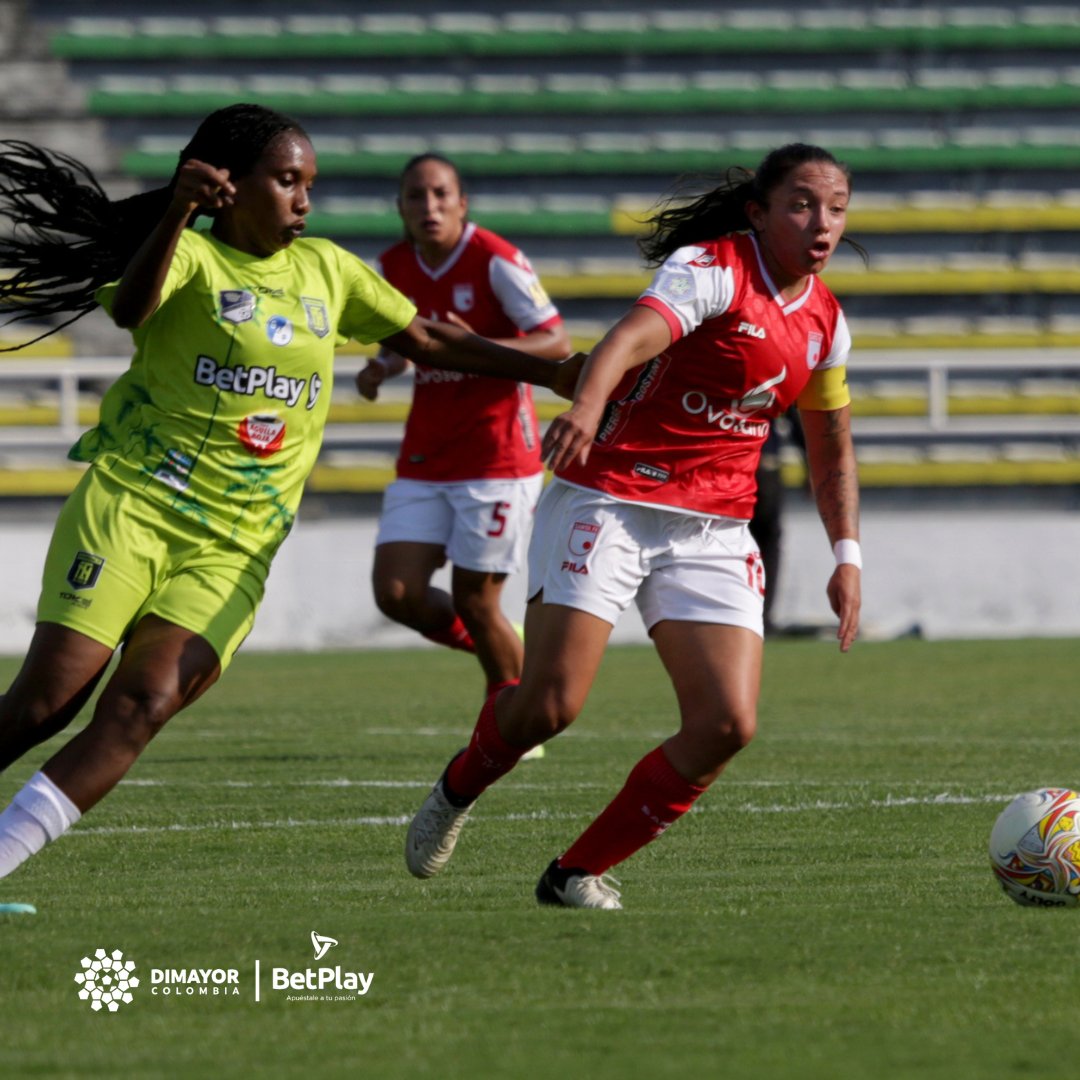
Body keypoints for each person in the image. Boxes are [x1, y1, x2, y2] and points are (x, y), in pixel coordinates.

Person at [0, 104, 580, 886]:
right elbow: (133, 309)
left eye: (310, 183)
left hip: (234, 546)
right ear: (230, 189)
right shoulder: (190, 258)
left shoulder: (329, 273)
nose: (304, 199)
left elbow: (429, 339)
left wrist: (550, 371)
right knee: (43, 705)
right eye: (286, 181)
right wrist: (175, 210)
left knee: (143, 705)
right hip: (133, 508)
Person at [404, 143, 863, 909]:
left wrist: (846, 553)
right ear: (759, 211)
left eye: (837, 208)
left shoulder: (824, 322)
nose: (822, 223)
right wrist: (584, 413)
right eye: (802, 205)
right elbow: (629, 338)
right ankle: (458, 786)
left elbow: (833, 444)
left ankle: (574, 873)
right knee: (550, 705)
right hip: (611, 495)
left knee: (725, 723)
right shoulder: (711, 268)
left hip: (713, 525)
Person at [356, 154, 571, 706]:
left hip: (495, 455)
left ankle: (513, 715)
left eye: (440, 194)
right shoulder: (394, 265)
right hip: (427, 453)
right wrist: (384, 366)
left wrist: (477, 348)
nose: (428, 206)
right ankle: (501, 653)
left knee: (476, 601)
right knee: (396, 592)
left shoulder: (495, 259)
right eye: (415, 196)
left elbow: (556, 343)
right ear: (400, 207)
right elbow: (406, 340)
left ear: (461, 202)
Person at [750, 408, 805, 635]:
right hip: (765, 463)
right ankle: (761, 617)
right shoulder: (772, 374)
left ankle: (745, 616)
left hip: (731, 465)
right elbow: (796, 414)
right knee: (767, 543)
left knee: (733, 539)